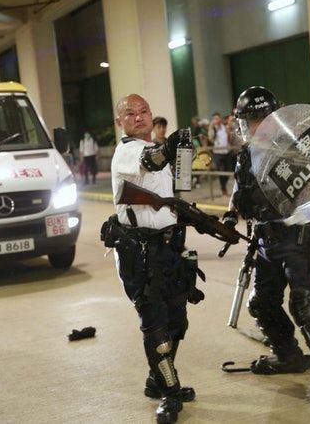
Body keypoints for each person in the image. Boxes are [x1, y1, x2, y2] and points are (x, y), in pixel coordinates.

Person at [224, 86, 310, 414]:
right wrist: (230, 214)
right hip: (265, 242)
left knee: (305, 305)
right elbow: (240, 191)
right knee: (262, 302)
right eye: (249, 120)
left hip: (295, 238)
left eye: (259, 118)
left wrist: (288, 201)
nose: (254, 126)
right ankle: (287, 355)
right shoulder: (247, 154)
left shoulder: (298, 148)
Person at [110, 94, 198, 424]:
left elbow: (176, 184)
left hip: (168, 248)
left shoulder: (153, 148)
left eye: (144, 111)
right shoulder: (128, 151)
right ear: (121, 122)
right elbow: (151, 160)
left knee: (177, 319)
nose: (139, 117)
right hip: (140, 252)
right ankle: (169, 393)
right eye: (130, 114)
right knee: (156, 325)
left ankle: (156, 380)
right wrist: (170, 147)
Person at [208, 112, 235, 195]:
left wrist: (229, 132)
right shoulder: (213, 129)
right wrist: (211, 126)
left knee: (228, 171)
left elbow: (230, 139)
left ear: (220, 118)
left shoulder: (225, 127)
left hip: (227, 152)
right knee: (220, 171)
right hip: (218, 153)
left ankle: (224, 185)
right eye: (214, 119)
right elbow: (210, 138)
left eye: (217, 118)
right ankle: (223, 188)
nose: (215, 120)